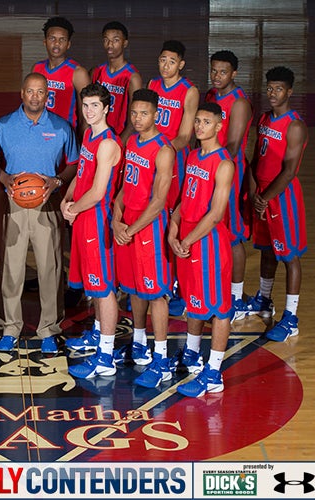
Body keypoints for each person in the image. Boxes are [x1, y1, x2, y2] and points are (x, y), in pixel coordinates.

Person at [0, 73, 78, 353]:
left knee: (50, 267)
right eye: (31, 91)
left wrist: (56, 181)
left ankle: (49, 328)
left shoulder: (61, 128)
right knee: (11, 268)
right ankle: (10, 326)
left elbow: (73, 164)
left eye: (41, 92)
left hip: (47, 202)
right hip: (13, 202)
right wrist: (3, 179)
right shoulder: (4, 126)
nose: (36, 97)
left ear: (48, 95)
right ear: (22, 93)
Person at [168, 102, 234, 397]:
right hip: (188, 237)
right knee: (193, 300)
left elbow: (217, 213)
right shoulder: (193, 155)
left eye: (206, 122)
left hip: (208, 243)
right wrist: (173, 227)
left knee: (219, 309)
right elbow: (184, 197)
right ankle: (193, 354)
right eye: (196, 121)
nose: (199, 127)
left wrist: (189, 238)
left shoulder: (224, 163)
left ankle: (214, 373)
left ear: (219, 126)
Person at [111, 88, 175, 387]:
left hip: (148, 228)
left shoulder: (164, 149)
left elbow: (159, 201)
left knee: (156, 292)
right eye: (134, 113)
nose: (137, 118)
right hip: (128, 224)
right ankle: (138, 344)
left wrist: (130, 230)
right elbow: (126, 185)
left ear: (157, 114)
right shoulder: (132, 142)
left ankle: (161, 359)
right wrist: (116, 218)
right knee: (135, 287)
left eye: (144, 113)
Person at [60, 83, 122, 378]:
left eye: (95, 105)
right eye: (85, 106)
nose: (89, 111)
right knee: (93, 286)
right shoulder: (87, 134)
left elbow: (98, 193)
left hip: (95, 219)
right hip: (83, 215)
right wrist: (66, 200)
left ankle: (106, 357)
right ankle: (98, 335)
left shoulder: (108, 143)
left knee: (103, 288)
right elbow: (82, 176)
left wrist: (74, 208)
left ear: (107, 108)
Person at [248, 66, 307, 341]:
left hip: (282, 199)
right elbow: (256, 159)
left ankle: (291, 317)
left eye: (279, 89)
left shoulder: (294, 125)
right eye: (269, 88)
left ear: (290, 92)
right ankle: (264, 299)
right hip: (262, 196)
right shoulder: (264, 119)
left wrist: (265, 198)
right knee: (267, 251)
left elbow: (289, 170)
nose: (273, 94)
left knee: (289, 256)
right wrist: (254, 194)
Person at [148, 40, 199, 315]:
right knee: (152, 214)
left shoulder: (189, 91)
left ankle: (178, 285)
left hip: (174, 158)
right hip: (153, 158)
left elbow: (185, 135)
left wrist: (161, 151)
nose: (165, 65)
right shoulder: (153, 85)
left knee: (173, 219)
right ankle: (159, 277)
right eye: (162, 59)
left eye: (171, 61)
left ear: (180, 64)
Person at [205, 50, 253, 321]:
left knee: (233, 233)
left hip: (228, 173)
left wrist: (213, 168)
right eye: (214, 70)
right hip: (208, 168)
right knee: (213, 227)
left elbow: (233, 146)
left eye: (223, 72)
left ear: (234, 73)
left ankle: (237, 297)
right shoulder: (212, 96)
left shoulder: (239, 103)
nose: (217, 76)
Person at [32, 16, 91, 135]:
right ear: (45, 41)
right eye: (52, 38)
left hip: (65, 136)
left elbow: (87, 115)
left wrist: (81, 143)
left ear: (68, 44)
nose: (57, 43)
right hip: (39, 134)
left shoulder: (78, 73)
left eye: (62, 39)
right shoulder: (37, 68)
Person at [91, 21, 142, 143]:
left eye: (115, 40)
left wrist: (119, 143)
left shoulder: (132, 77)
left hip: (118, 137)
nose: (110, 45)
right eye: (106, 40)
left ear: (125, 43)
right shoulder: (96, 71)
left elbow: (134, 119)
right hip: (97, 135)